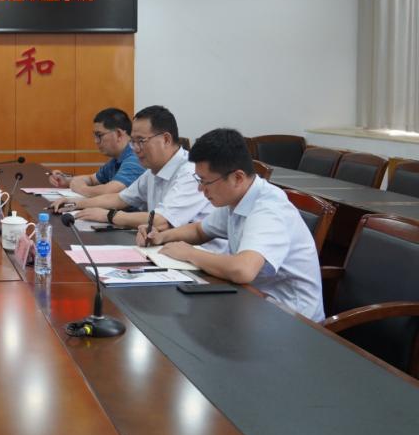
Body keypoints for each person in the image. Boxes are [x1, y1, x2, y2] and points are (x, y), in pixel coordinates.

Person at [137, 128, 324, 321]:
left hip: (293, 318)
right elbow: (200, 230)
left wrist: (189, 253)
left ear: (238, 178)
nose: (200, 189)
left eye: (205, 182)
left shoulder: (269, 210)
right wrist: (161, 236)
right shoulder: (237, 199)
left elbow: (242, 270)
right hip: (254, 300)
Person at [55, 105, 213, 236]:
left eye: (141, 141)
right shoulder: (153, 170)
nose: (135, 148)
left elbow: (162, 221)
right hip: (166, 249)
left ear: (166, 139)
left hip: (200, 258)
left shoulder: (191, 172)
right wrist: (75, 203)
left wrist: (110, 215)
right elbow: (120, 199)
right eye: (133, 141)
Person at [48, 108, 144, 197]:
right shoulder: (116, 159)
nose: (96, 141)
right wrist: (66, 180)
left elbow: (109, 191)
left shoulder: (135, 158)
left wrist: (82, 189)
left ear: (118, 134)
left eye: (99, 135)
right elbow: (92, 179)